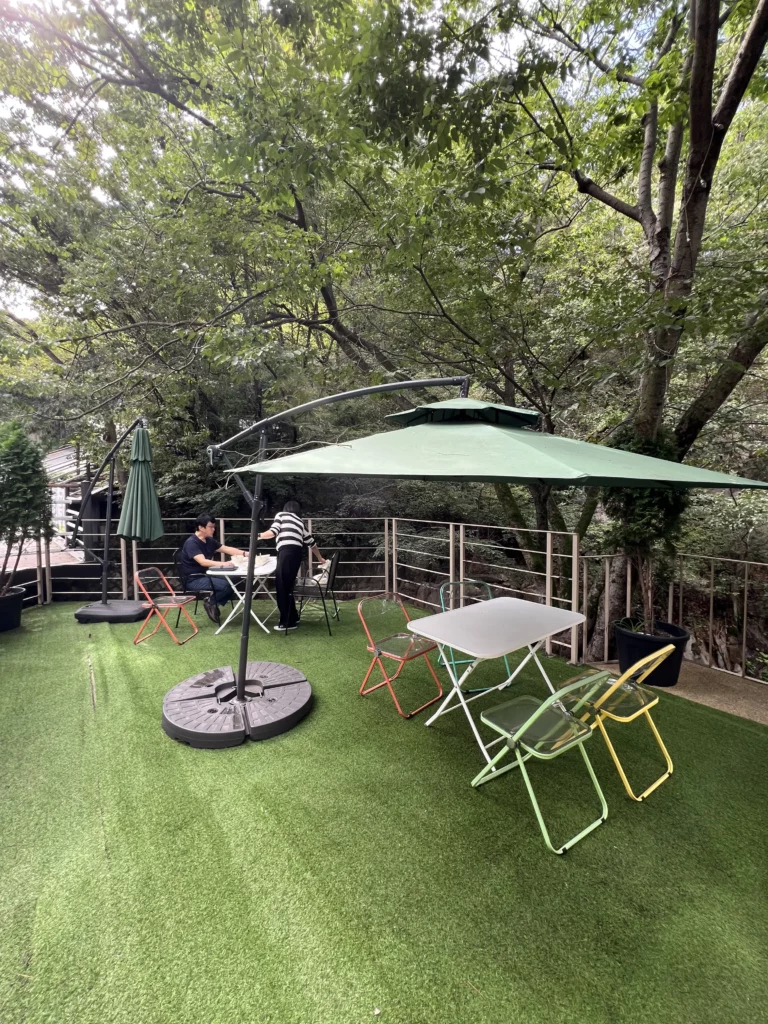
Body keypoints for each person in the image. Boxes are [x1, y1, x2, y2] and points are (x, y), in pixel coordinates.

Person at [258, 500, 326, 632]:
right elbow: (311, 542)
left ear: (286, 508)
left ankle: (287, 622)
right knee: (287, 586)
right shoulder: (300, 522)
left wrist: (258, 535)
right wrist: (319, 557)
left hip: (286, 553)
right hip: (296, 555)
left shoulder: (281, 515)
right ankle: (293, 617)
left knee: (282, 586)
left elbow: (273, 532)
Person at [179, 513, 248, 624]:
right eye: (211, 527)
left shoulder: (209, 540)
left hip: (207, 574)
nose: (213, 529)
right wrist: (224, 564)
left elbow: (226, 549)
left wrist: (246, 553)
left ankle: (212, 601)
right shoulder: (192, 543)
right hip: (193, 579)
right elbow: (203, 562)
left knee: (236, 578)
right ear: (201, 527)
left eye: (214, 526)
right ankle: (211, 603)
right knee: (226, 586)